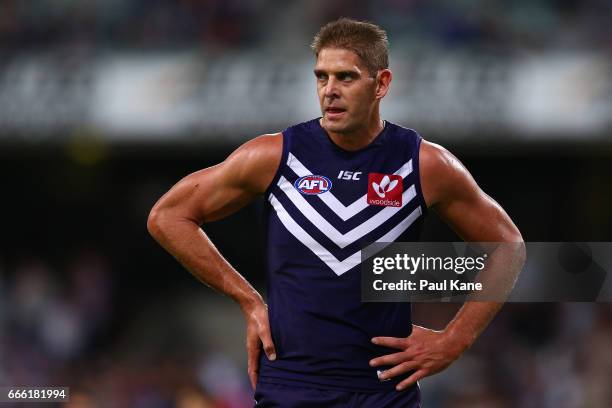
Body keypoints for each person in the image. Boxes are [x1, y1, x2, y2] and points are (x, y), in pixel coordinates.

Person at [148, 18, 525, 408]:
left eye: (346, 77)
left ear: (381, 84)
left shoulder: (425, 165)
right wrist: (247, 299)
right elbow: (168, 216)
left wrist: (453, 341)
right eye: (321, 77)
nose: (330, 91)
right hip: (291, 386)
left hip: (382, 393)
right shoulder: (273, 156)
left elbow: (508, 245)